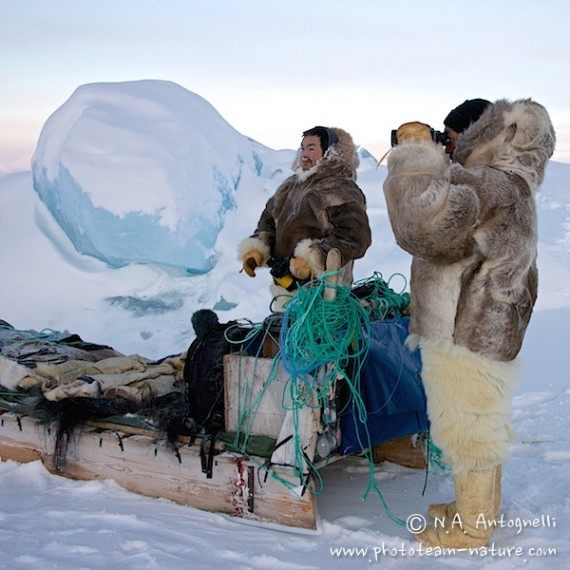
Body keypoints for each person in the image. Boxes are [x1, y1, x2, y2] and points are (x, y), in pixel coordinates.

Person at [382, 99, 555, 547]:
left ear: (481, 133)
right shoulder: (504, 183)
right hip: (480, 327)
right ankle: (472, 510)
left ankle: (473, 528)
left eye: (451, 133)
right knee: (474, 423)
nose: (447, 142)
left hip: (468, 329)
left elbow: (425, 225)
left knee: (468, 427)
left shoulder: (491, 184)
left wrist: (416, 156)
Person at [238, 126, 372, 310]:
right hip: (286, 288)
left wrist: (309, 260)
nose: (304, 154)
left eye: (311, 148)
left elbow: (354, 238)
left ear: (329, 153)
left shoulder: (339, 189)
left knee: (316, 337)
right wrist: (257, 249)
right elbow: (269, 220)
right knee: (285, 335)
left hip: (325, 295)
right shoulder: (292, 185)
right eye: (302, 148)